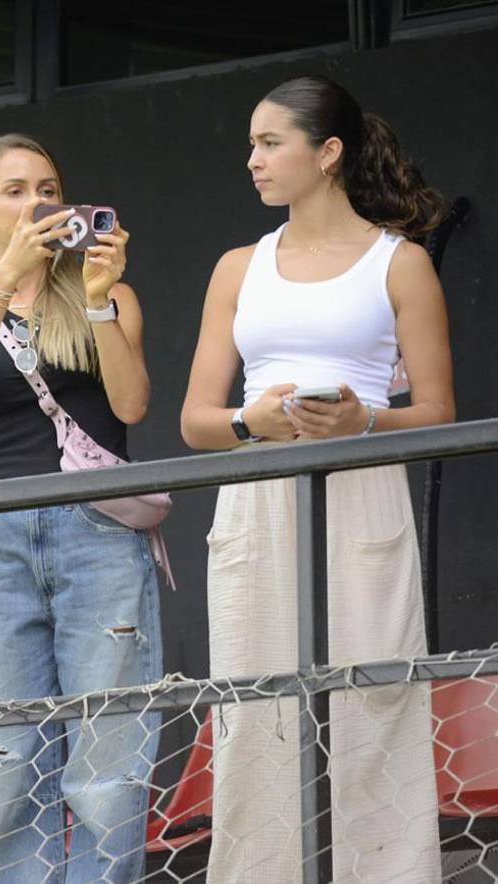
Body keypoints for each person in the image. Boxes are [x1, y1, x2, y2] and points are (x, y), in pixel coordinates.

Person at [180, 74, 452, 882]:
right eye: (251, 145)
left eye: (271, 143)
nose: (254, 161)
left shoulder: (399, 265)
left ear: (327, 153)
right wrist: (246, 423)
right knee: (256, 715)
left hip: (363, 491)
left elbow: (440, 412)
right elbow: (197, 421)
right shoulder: (238, 266)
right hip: (257, 495)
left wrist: (363, 421)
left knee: (377, 709)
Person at [0, 133, 164, 883]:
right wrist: (7, 276)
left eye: (48, 190)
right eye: (17, 190)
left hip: (97, 530)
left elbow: (132, 403)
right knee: (2, 748)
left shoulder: (108, 292)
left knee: (108, 745)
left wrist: (94, 304)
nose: (37, 204)